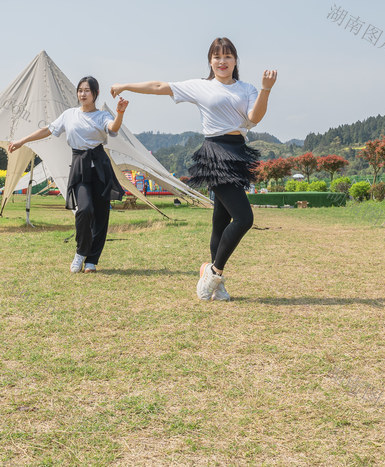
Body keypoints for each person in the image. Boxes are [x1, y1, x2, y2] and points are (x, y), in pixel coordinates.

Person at [111, 37, 276, 301]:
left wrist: (266, 89)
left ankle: (214, 279)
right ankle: (214, 272)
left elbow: (254, 118)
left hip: (237, 152)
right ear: (210, 61)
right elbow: (159, 86)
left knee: (221, 221)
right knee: (244, 218)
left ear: (235, 60)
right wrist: (126, 85)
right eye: (216, 57)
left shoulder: (247, 89)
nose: (222, 62)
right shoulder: (201, 86)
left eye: (227, 57)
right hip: (215, 153)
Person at [9, 77, 129, 273]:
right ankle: (80, 252)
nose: (82, 94)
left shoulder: (101, 116)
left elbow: (113, 128)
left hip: (100, 165)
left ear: (95, 94)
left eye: (87, 91)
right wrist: (22, 141)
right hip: (79, 165)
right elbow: (47, 130)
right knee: (84, 210)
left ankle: (92, 261)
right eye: (80, 90)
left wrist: (120, 113)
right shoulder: (69, 115)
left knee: (101, 214)